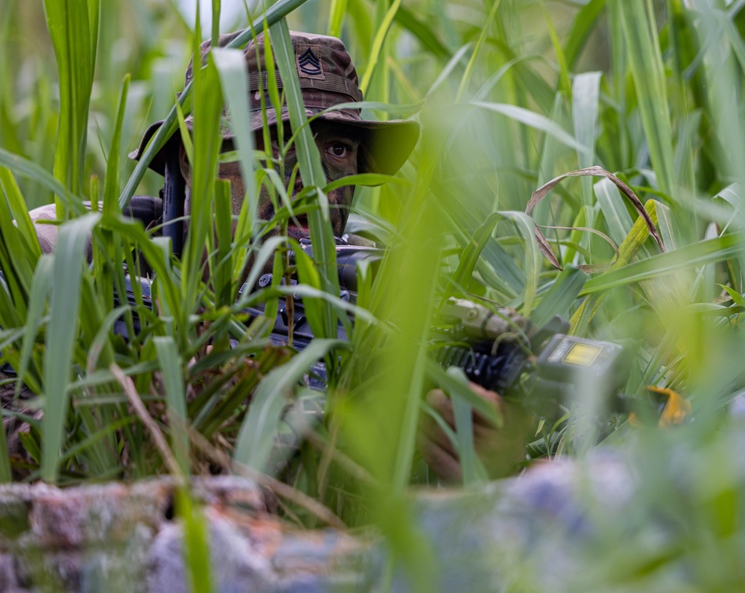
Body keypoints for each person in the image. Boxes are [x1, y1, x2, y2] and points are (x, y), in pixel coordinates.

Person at [27, 31, 530, 484]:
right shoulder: (86, 258)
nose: (307, 181)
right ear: (191, 159)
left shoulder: (383, 300)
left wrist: (491, 461)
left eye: (334, 150)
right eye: (266, 145)